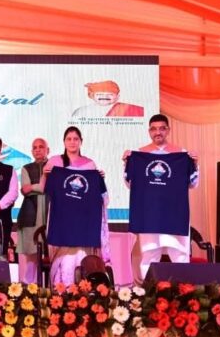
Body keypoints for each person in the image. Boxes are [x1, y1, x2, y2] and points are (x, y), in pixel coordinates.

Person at [123, 114, 199, 284]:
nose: (158, 132)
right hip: (149, 214)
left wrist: (194, 164)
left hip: (174, 214)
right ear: (149, 131)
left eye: (162, 128)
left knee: (180, 255)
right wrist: (127, 163)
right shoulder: (140, 154)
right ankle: (149, 294)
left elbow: (192, 184)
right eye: (154, 129)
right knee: (149, 256)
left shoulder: (181, 153)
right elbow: (130, 184)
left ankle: (184, 295)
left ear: (168, 130)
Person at [41, 126, 110, 285]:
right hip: (61, 219)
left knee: (81, 257)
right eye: (69, 139)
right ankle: (62, 289)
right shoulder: (55, 162)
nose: (72, 142)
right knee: (65, 261)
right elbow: (44, 189)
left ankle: (83, 289)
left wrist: (99, 179)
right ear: (64, 142)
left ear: (81, 142)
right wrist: (45, 174)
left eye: (76, 139)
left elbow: (100, 196)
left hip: (84, 221)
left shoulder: (89, 164)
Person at [16, 138, 49, 284]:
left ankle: (53, 287)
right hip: (30, 213)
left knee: (53, 253)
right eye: (35, 147)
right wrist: (41, 187)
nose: (38, 150)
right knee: (32, 253)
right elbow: (25, 189)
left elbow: (49, 188)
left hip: (50, 211)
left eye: (41, 147)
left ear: (47, 150)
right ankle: (29, 286)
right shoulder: (26, 168)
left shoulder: (54, 167)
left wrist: (33, 187)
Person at [71, 80, 144, 117]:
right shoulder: (82, 111)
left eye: (110, 94)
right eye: (99, 94)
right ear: (92, 96)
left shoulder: (128, 109)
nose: (104, 97)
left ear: (117, 97)